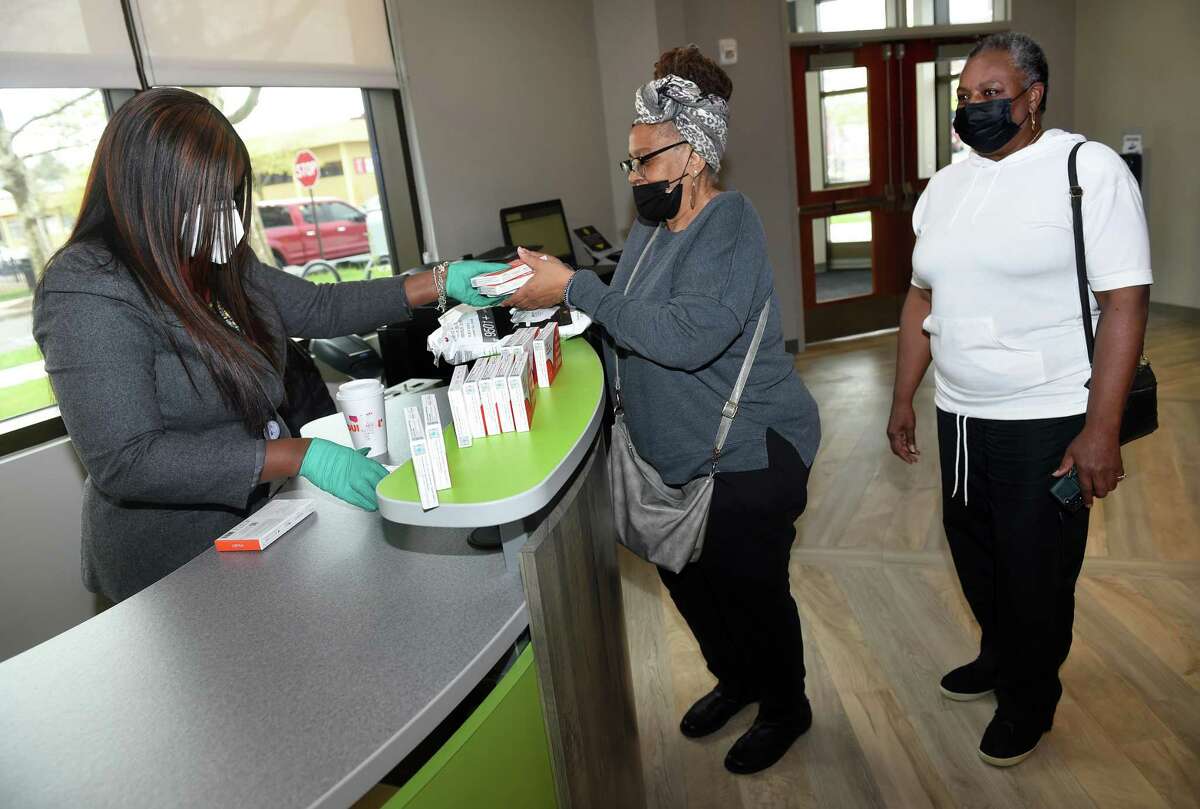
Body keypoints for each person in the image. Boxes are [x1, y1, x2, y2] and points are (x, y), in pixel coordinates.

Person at [33, 89, 500, 603]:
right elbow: (129, 460)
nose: (225, 215)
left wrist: (440, 280)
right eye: (207, 198)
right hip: (166, 570)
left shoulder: (212, 260)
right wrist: (297, 455)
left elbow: (321, 308)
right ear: (150, 193)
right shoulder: (88, 286)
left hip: (255, 526)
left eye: (230, 195)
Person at [508, 46, 821, 775]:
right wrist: (563, 321)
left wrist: (576, 289)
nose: (636, 177)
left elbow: (688, 336)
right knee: (690, 579)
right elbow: (631, 321)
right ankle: (737, 678)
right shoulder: (651, 231)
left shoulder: (731, 224)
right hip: (675, 457)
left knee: (752, 590)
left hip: (749, 452)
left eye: (645, 160)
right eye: (631, 162)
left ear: (694, 155)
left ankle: (786, 703)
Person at [886, 33, 1152, 767]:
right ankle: (1001, 654)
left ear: (1033, 97)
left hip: (1049, 415)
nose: (975, 108)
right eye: (965, 97)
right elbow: (920, 298)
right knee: (974, 551)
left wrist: (1100, 429)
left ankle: (1030, 700)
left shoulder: (1084, 170)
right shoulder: (946, 186)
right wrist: (905, 394)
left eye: (991, 94)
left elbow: (1125, 301)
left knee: (1036, 571)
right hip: (962, 412)